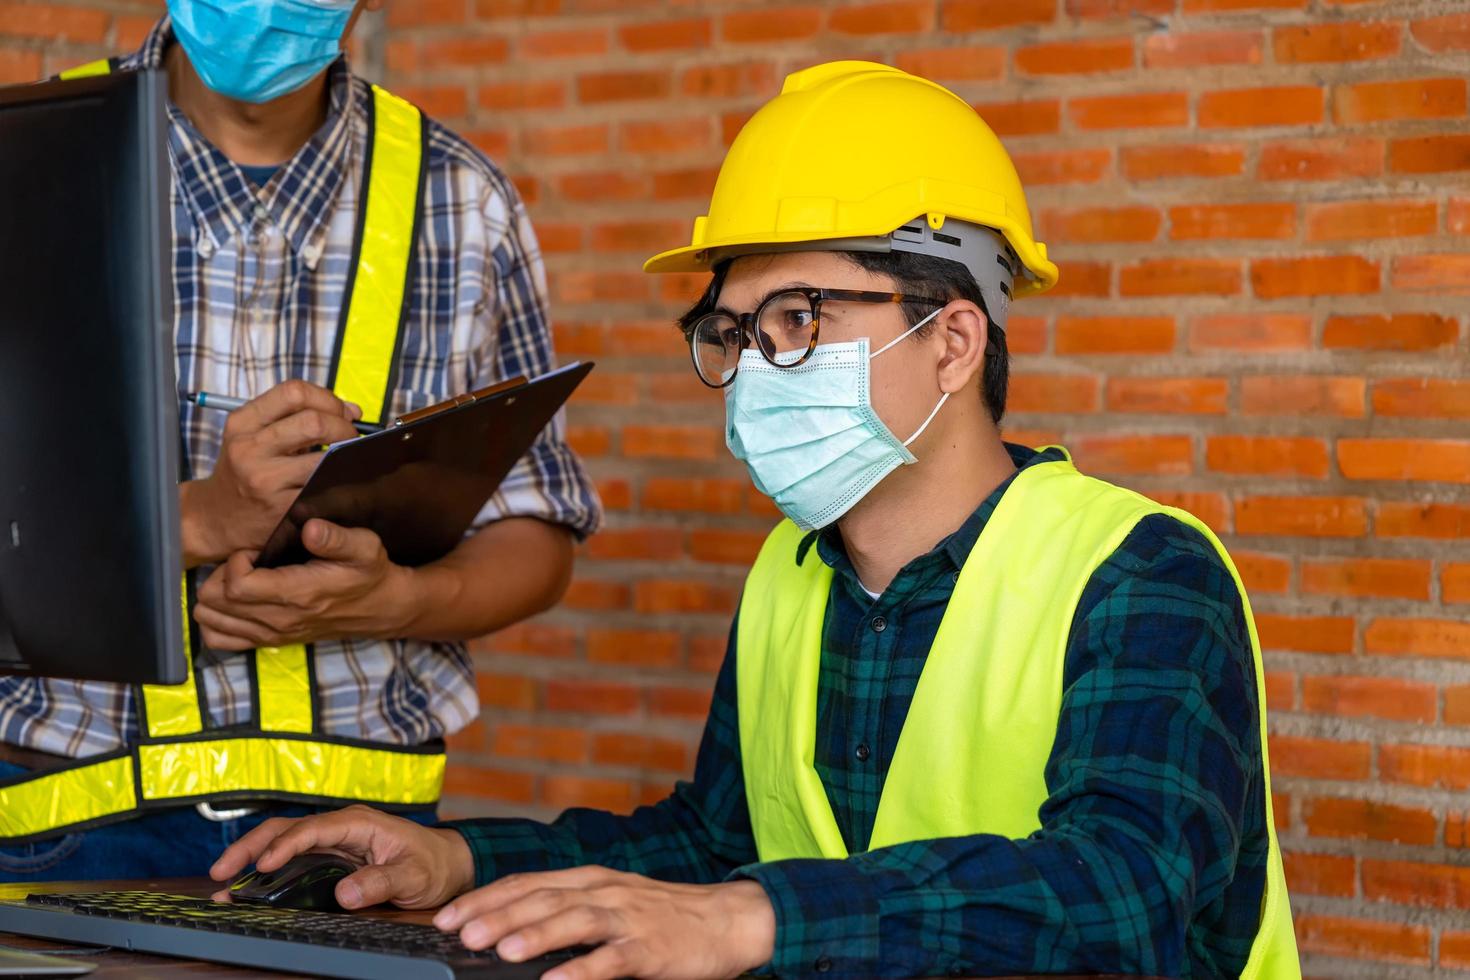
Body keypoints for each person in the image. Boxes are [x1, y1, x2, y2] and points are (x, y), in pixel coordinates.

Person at [212, 62, 1299, 979]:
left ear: (955, 341)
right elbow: (716, 839)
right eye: (732, 330)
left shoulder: (1139, 571)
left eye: (800, 318)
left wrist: (749, 917)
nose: (749, 369)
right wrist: (457, 858)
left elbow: (1126, 885)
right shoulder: (794, 572)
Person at [0, 0, 599, 879]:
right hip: (58, 830)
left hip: (362, 842)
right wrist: (195, 522)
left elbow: (538, 537)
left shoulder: (463, 201)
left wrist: (396, 602)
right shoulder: (24, 169)